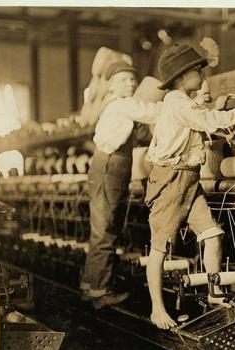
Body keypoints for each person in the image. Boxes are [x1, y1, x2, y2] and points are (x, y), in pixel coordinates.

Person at [144, 43, 235, 329]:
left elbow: (208, 119)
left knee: (212, 234)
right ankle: (156, 309)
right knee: (160, 248)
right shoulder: (178, 102)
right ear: (180, 77)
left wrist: (222, 108)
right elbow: (211, 121)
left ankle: (214, 292)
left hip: (189, 178)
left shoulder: (183, 103)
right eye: (197, 70)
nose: (202, 75)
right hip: (170, 180)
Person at [81, 60, 162, 309]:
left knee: (103, 228)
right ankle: (101, 293)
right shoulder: (123, 104)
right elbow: (154, 112)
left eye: (132, 79)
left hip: (108, 166)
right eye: (124, 79)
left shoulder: (116, 105)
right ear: (111, 85)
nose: (131, 83)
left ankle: (91, 285)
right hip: (110, 168)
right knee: (105, 229)